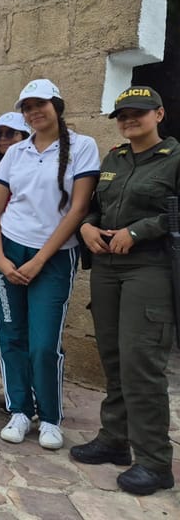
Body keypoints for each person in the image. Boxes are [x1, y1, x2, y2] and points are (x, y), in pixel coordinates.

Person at [71, 86, 177, 495]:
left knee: (141, 363)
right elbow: (96, 204)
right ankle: (115, 440)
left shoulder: (175, 158)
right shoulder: (114, 157)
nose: (129, 119)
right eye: (123, 115)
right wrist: (86, 226)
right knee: (113, 357)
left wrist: (137, 231)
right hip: (107, 265)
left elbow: (173, 212)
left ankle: (154, 461)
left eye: (139, 113)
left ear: (159, 114)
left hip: (148, 267)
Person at [0, 79, 99, 449]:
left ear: (57, 105)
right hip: (9, 252)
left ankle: (49, 416)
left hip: (51, 258)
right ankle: (19, 410)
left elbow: (79, 208)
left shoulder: (82, 147)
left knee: (43, 343)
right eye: (27, 107)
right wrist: (0, 257)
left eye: (41, 104)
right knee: (12, 337)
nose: (34, 112)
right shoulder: (16, 152)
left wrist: (39, 260)